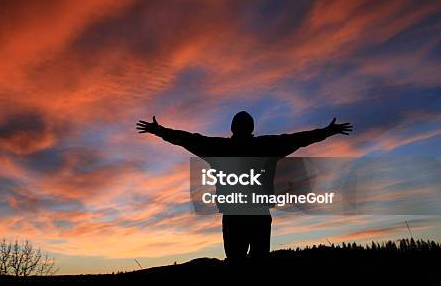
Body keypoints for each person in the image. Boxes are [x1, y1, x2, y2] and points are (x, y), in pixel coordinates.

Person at [136, 111, 352, 261]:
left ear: (232, 128)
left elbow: (188, 139)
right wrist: (327, 131)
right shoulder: (265, 146)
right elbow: (298, 139)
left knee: (237, 263)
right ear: (251, 128)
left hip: (235, 215)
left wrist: (160, 130)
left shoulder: (220, 148)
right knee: (257, 263)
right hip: (257, 214)